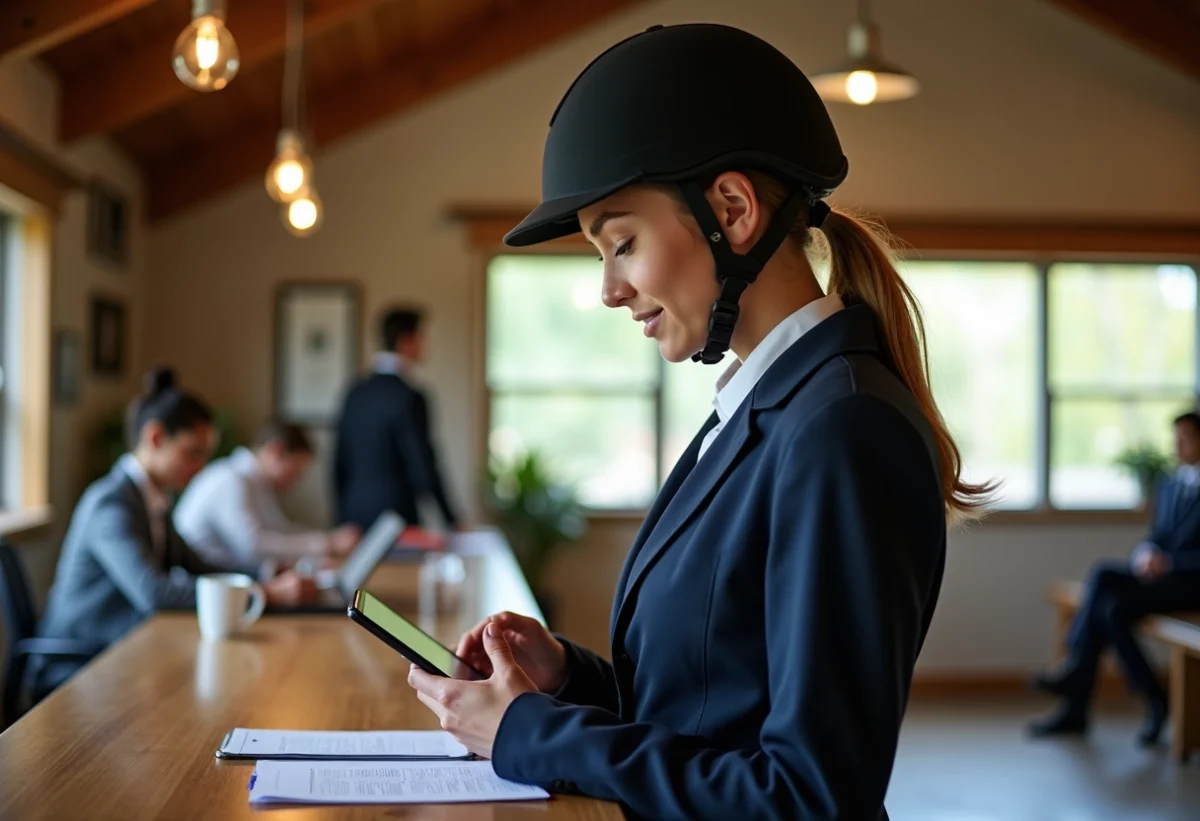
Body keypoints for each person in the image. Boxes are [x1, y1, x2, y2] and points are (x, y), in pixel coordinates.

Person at [405, 23, 990, 821]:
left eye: (622, 244)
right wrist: (568, 680)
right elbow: (716, 706)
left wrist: (534, 732)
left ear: (733, 209)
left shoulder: (843, 427)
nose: (609, 289)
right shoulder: (766, 403)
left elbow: (810, 796)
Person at [33, 369, 313, 697]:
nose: (200, 466)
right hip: (80, 666)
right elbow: (153, 593)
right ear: (155, 438)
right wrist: (264, 592)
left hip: (128, 652)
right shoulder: (110, 504)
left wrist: (265, 573)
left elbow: (199, 564)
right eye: (193, 452)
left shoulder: (155, 499)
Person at [1029, 411, 1200, 745]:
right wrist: (1147, 553)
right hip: (1163, 576)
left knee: (1113, 609)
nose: (1178, 445)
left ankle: (1090, 691)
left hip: (1192, 583)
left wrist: (1170, 563)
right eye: (1176, 437)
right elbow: (1158, 535)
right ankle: (1129, 691)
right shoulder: (1171, 483)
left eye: (1187, 438)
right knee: (1104, 578)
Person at [174, 420, 361, 572]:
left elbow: (280, 530)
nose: (295, 481)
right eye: (294, 471)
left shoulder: (257, 484)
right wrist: (326, 544)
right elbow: (253, 547)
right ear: (275, 450)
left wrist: (328, 539)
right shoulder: (230, 480)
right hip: (205, 589)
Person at [333, 306, 460, 531]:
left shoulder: (355, 392)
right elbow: (423, 467)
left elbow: (339, 462)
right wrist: (452, 520)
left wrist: (340, 520)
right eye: (422, 337)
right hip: (396, 520)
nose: (426, 346)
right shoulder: (410, 397)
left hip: (352, 515)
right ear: (406, 341)